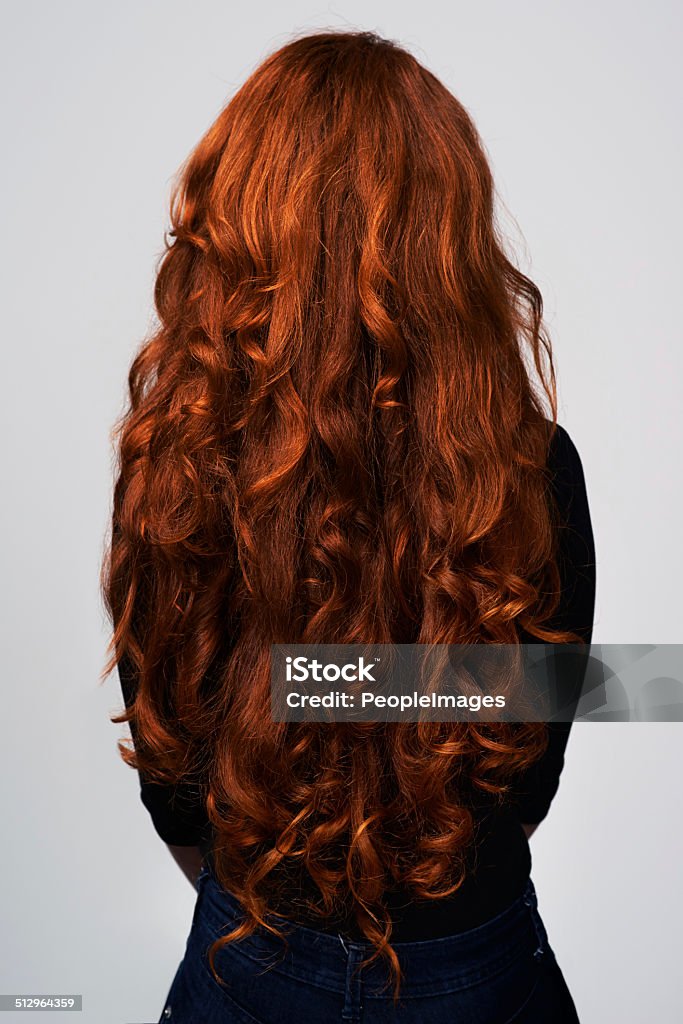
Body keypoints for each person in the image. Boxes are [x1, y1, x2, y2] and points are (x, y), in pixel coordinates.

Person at [101, 29, 596, 1024]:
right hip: (473, 967)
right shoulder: (528, 469)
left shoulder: (172, 465)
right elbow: (523, 775)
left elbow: (173, 783)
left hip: (248, 960)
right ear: (443, 235)